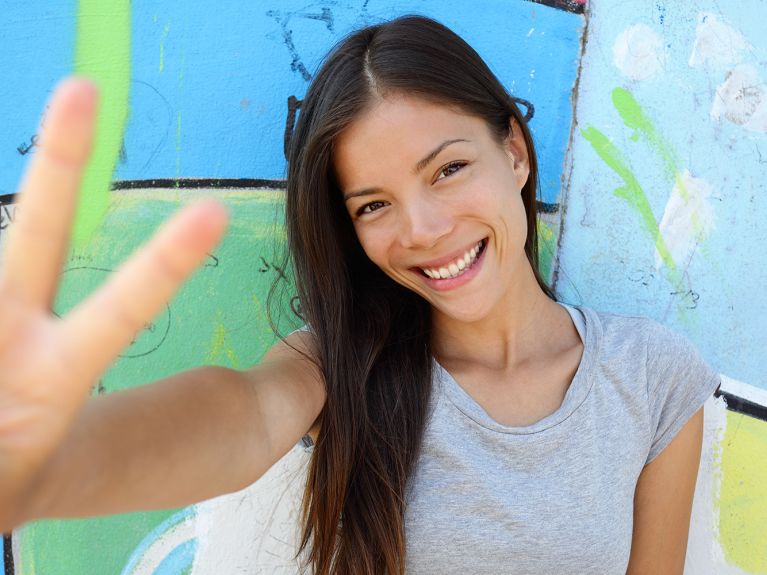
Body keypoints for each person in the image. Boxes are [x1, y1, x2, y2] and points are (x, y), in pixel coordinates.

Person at [0, 15, 720, 575]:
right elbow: (242, 418)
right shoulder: (343, 361)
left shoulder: (650, 374)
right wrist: (53, 462)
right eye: (373, 205)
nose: (424, 230)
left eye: (447, 169)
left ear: (515, 153)